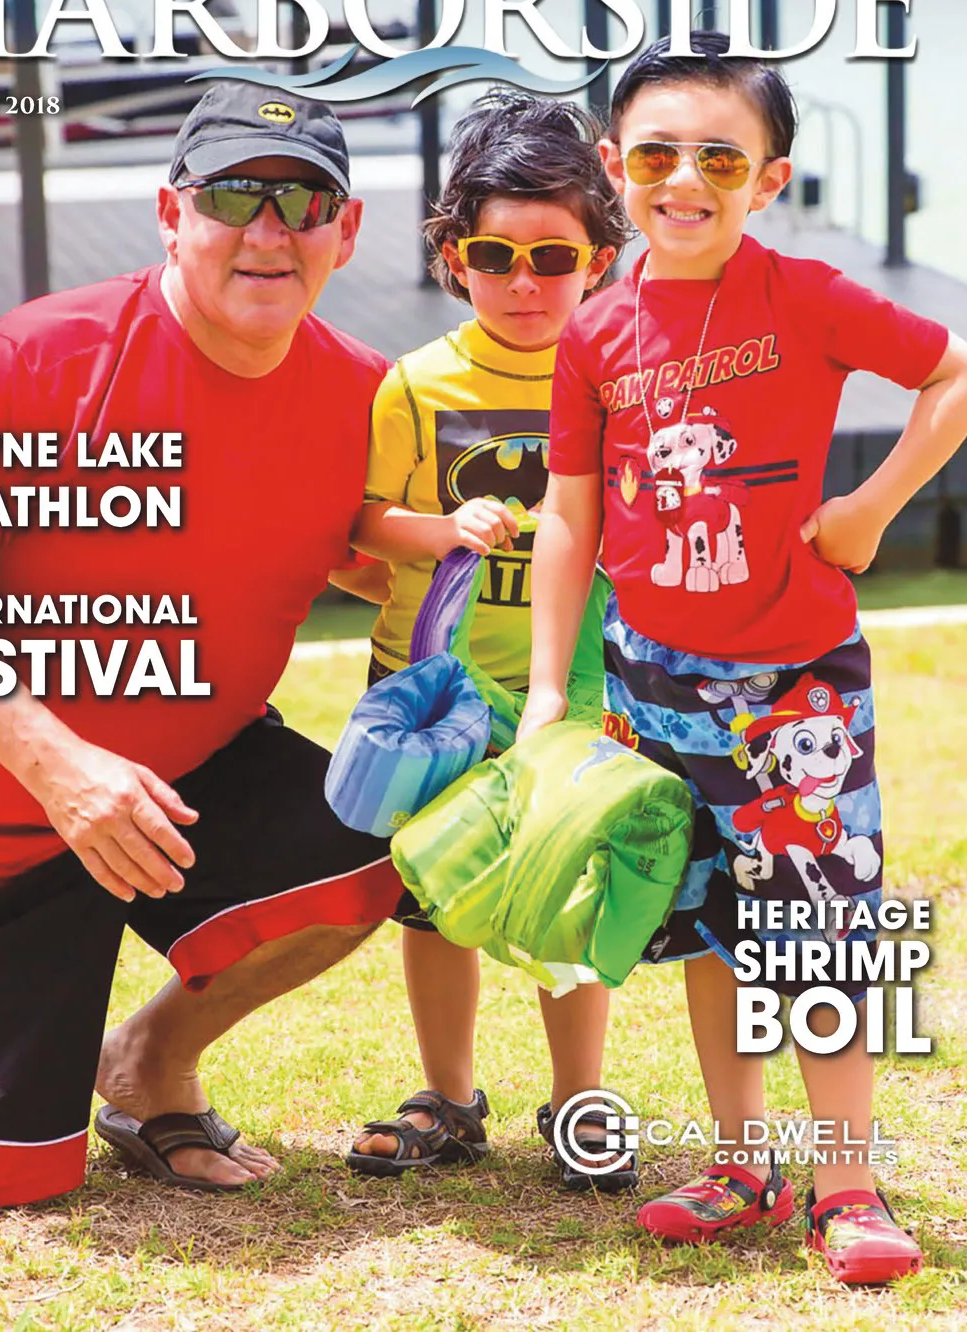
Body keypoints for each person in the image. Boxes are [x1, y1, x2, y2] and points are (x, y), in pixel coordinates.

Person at [0, 82, 409, 1208]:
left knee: (384, 841)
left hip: (178, 783)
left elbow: (372, 556)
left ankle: (147, 1062)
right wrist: (63, 769)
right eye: (233, 196)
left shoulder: (369, 397)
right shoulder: (30, 364)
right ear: (169, 213)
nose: (269, 231)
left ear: (345, 231)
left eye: (303, 203)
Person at [520, 31, 967, 1282]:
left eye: (720, 159)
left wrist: (870, 511)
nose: (686, 179)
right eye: (657, 155)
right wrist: (546, 691)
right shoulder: (593, 333)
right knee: (707, 925)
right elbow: (569, 516)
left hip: (796, 688)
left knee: (819, 933)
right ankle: (743, 1165)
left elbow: (960, 376)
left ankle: (847, 1185)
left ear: (769, 179)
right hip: (648, 684)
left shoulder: (807, 296)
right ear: (614, 166)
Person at [345, 91, 635, 1186]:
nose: (524, 282)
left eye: (552, 258)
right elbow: (364, 520)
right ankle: (449, 1096)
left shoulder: (622, 374)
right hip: (437, 690)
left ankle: (579, 1098)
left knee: (570, 886)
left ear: (599, 261)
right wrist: (441, 528)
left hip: (582, 685)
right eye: (494, 255)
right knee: (434, 897)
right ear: (452, 257)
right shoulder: (416, 383)